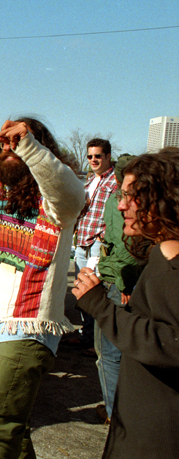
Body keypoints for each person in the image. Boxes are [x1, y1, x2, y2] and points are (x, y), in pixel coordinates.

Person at [0, 100, 85, 458]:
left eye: (17, 142)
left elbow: (70, 189)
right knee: (11, 431)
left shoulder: (58, 204)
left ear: (38, 147)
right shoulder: (4, 190)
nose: (10, 148)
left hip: (30, 328)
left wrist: (27, 144)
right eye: (6, 143)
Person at [73, 148, 179, 458]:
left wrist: (100, 307)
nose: (121, 205)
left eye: (132, 196)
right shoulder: (161, 255)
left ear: (163, 199)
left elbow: (171, 343)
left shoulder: (172, 268)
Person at [88, 154, 145, 424]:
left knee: (108, 354)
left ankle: (114, 413)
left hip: (119, 281)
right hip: (127, 278)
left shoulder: (116, 200)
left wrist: (125, 283)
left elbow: (123, 245)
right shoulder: (129, 200)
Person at [68, 138, 118, 355]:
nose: (93, 160)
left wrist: (103, 237)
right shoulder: (89, 181)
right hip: (82, 241)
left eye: (98, 156)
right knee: (82, 290)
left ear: (108, 156)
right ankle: (87, 337)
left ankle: (98, 344)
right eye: (90, 156)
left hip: (98, 243)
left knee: (95, 290)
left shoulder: (116, 181)